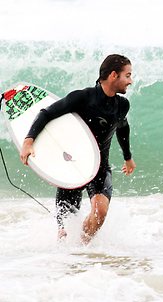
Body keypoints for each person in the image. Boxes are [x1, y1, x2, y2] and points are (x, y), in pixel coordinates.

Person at [20, 54, 136, 243]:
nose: (130, 81)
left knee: (100, 212)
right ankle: (69, 259)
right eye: (128, 75)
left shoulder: (122, 105)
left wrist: (128, 157)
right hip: (72, 166)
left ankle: (82, 250)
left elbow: (122, 127)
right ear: (114, 75)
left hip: (99, 167)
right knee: (64, 231)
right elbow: (47, 113)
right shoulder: (82, 98)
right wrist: (28, 141)